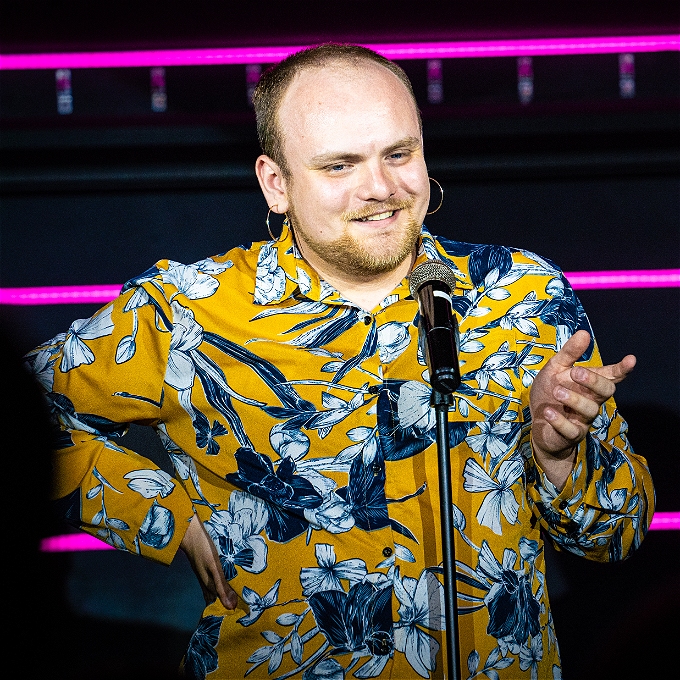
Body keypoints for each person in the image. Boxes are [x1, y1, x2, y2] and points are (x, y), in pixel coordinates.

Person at [26, 44, 654, 680]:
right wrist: (165, 515)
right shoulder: (188, 311)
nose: (380, 187)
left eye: (398, 154)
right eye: (339, 165)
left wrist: (559, 460)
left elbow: (618, 535)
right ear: (277, 183)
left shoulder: (523, 292)